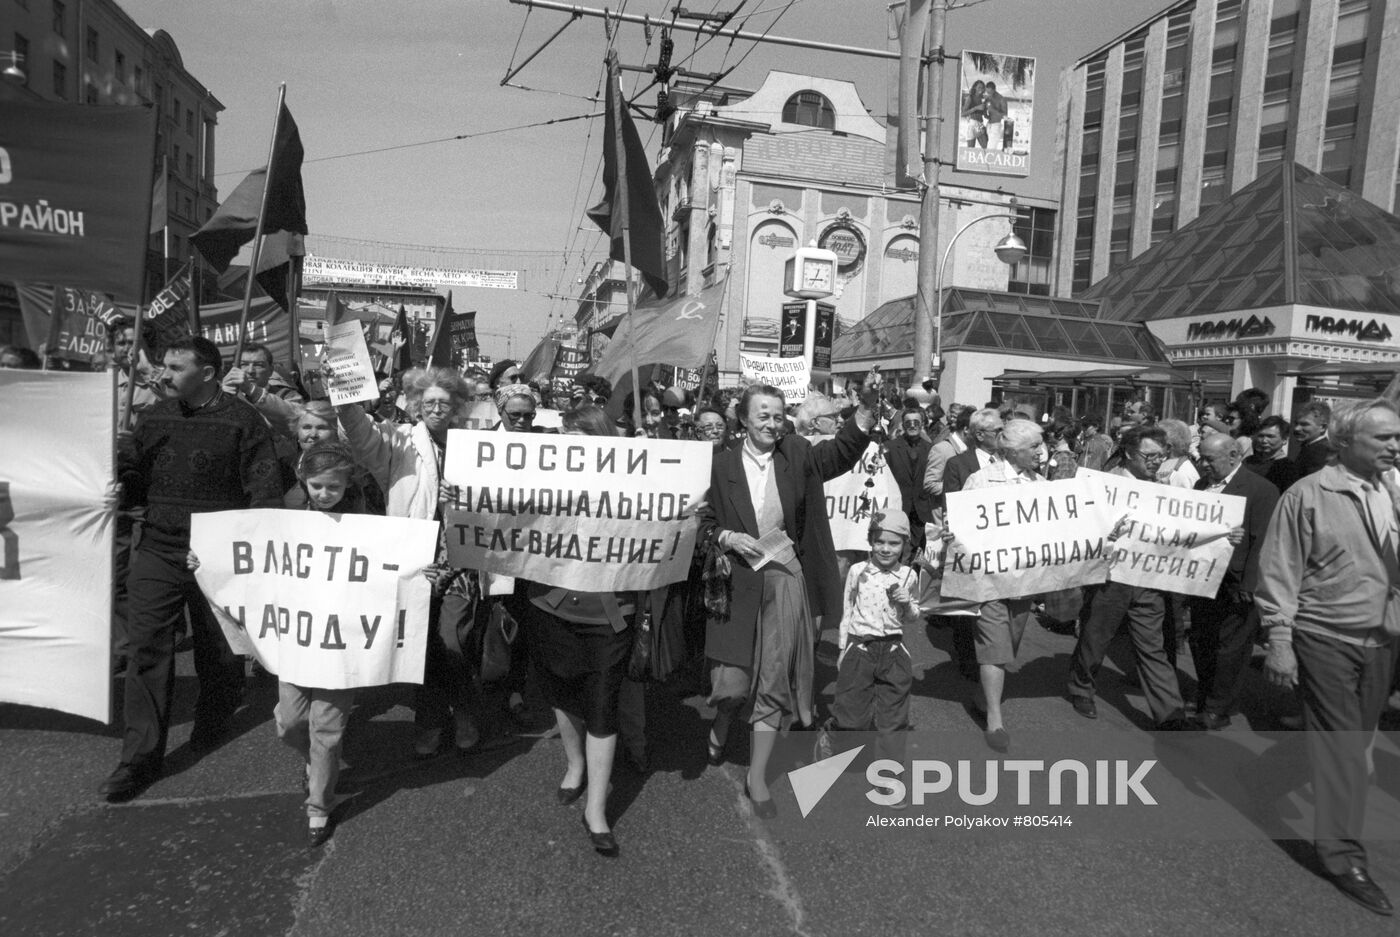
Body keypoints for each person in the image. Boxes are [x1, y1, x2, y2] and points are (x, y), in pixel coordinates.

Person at [101, 336, 282, 802]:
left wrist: (250, 558)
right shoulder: (153, 417)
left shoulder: (243, 421)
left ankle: (215, 716)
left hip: (216, 557)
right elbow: (137, 482)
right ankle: (138, 759)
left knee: (217, 651)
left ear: (207, 372)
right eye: (164, 366)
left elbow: (264, 492)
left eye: (175, 367)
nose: (163, 374)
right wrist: (121, 473)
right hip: (158, 549)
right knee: (146, 649)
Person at [698, 383, 875, 818]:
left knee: (774, 679)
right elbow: (701, 519)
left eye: (778, 416)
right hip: (737, 582)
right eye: (762, 415)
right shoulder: (718, 465)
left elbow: (837, 454)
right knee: (732, 680)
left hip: (784, 578)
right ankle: (724, 718)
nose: (771, 424)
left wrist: (865, 418)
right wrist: (725, 535)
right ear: (742, 419)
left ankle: (756, 778)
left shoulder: (796, 453)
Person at [1255, 398, 1400, 916]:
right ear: (1344, 440)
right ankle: (1343, 859)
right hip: (1324, 637)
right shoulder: (1308, 494)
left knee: (1354, 744)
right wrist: (1279, 639)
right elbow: (1279, 571)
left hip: (1382, 640)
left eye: (1397, 436)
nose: (1395, 445)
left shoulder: (1394, 488)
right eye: (1383, 437)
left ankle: (1265, 781)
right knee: (1344, 751)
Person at [187, 442, 368, 847]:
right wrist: (206, 561)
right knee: (290, 724)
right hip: (297, 644)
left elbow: (389, 568)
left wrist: (421, 571)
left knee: (328, 729)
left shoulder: (366, 526)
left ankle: (319, 806)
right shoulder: (281, 523)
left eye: (333, 488)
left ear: (346, 486)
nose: (325, 495)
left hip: (342, 646)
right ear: (304, 483)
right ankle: (316, 763)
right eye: (318, 486)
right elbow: (246, 562)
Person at [337, 367, 485, 757]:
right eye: (429, 402)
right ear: (417, 406)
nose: (436, 409)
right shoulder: (398, 442)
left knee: (453, 640)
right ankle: (431, 719)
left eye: (445, 403)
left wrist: (468, 496)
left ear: (457, 408)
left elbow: (499, 501)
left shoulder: (476, 447)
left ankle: (466, 711)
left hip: (460, 559)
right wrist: (345, 395)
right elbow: (359, 433)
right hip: (414, 560)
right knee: (422, 647)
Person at [519, 403, 636, 856]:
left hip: (609, 611)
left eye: (582, 441)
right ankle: (574, 766)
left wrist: (685, 511)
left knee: (603, 704)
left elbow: (662, 528)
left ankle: (597, 808)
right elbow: (498, 515)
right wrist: (464, 500)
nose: (573, 450)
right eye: (566, 441)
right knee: (562, 691)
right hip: (550, 605)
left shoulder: (634, 488)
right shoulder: (541, 485)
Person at [1065, 424, 1189, 729]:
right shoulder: (1105, 486)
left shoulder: (1166, 489)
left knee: (1152, 647)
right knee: (1096, 637)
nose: (1155, 461)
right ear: (1129, 454)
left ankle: (1169, 713)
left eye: (1160, 456)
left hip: (1149, 580)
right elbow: (1081, 529)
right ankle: (1081, 688)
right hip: (1111, 578)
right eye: (1148, 455)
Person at [956, 420, 1048, 752]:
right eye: (1035, 446)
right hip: (989, 580)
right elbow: (960, 525)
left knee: (1009, 642)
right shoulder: (981, 481)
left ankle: (982, 697)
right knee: (994, 644)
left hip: (1024, 581)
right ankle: (995, 719)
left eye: (1041, 445)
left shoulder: (1041, 484)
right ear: (1013, 450)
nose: (1042, 452)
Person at [1187, 434, 1277, 729]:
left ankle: (1218, 707)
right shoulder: (1201, 486)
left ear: (1234, 456)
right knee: (1203, 641)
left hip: (1238, 582)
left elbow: (1264, 541)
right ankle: (1206, 696)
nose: (1203, 464)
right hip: (1204, 578)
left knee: (1231, 650)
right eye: (1201, 457)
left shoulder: (1261, 490)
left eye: (1209, 459)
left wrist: (1250, 586)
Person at [832, 511, 921, 765]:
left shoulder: (908, 576)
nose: (885, 549)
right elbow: (847, 610)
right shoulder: (859, 571)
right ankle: (835, 734)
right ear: (870, 542)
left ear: (904, 545)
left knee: (893, 718)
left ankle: (889, 773)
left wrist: (907, 603)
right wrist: (843, 648)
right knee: (852, 715)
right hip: (860, 648)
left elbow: (913, 615)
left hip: (893, 651)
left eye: (893, 543)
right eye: (879, 542)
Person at [884, 407, 933, 551]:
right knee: (896, 550)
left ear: (922, 424)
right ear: (903, 425)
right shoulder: (889, 448)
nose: (912, 425)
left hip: (922, 511)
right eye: (908, 422)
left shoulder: (931, 449)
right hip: (898, 508)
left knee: (919, 553)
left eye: (916, 422)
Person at [223, 342, 305, 406]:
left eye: (258, 365)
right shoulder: (227, 395)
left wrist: (252, 391)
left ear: (271, 370)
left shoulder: (287, 396)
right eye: (244, 364)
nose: (250, 371)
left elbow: (293, 414)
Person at [1245, 415, 1301, 492]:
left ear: (1284, 439)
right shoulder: (1248, 461)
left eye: (1270, 436)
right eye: (1261, 436)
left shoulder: (1288, 469)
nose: (1264, 440)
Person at [1293, 400, 1333, 475]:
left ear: (1323, 427)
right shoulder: (1308, 448)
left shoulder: (1321, 453)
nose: (1296, 428)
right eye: (1296, 423)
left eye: (1304, 424)